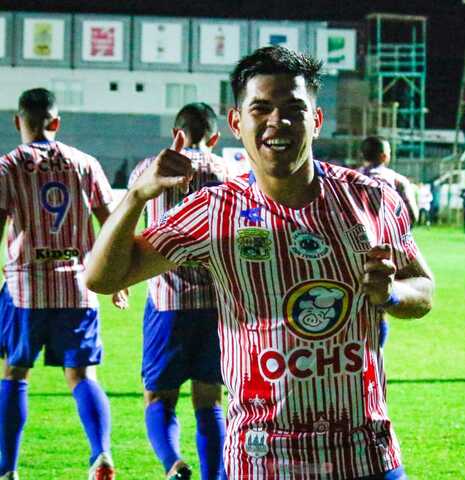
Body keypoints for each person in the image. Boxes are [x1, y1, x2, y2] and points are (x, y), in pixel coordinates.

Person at [85, 46, 434, 480]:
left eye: (294, 109)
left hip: (366, 454)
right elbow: (102, 277)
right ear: (236, 123)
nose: (278, 122)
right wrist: (137, 195)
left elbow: (423, 286)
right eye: (261, 108)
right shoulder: (215, 210)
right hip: (263, 460)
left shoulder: (369, 198)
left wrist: (392, 293)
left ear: (316, 120)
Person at [0, 88, 117, 480]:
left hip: (25, 290)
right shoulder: (84, 163)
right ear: (55, 122)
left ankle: (8, 468)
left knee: (15, 372)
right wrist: (116, 277)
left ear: (19, 122)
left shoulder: (9, 166)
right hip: (78, 287)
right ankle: (100, 453)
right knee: (82, 376)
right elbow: (111, 222)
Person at [126, 102, 229, 480]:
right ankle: (214, 476)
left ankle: (174, 463)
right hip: (218, 306)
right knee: (210, 400)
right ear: (215, 138)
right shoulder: (231, 174)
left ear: (177, 134)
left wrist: (119, 280)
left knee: (158, 398)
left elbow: (125, 230)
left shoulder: (152, 170)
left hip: (168, 303)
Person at [357, 135, 419, 349]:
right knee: (382, 302)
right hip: (388, 247)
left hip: (354, 245)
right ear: (385, 155)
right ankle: (376, 353)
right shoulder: (397, 180)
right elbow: (412, 213)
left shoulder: (349, 178)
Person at [358, 136, 419, 224]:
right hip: (388, 234)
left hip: (357, 234)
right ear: (384, 157)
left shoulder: (348, 179)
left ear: (362, 155)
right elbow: (413, 216)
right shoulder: (397, 181)